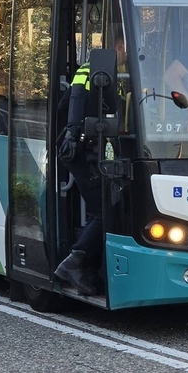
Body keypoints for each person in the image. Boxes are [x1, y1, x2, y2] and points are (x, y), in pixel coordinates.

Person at [53, 34, 126, 296]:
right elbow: (74, 106)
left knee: (104, 207)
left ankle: (84, 264)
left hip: (88, 150)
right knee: (105, 210)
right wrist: (73, 133)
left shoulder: (111, 74)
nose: (130, 54)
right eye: (127, 47)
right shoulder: (89, 71)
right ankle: (75, 262)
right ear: (117, 47)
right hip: (81, 152)